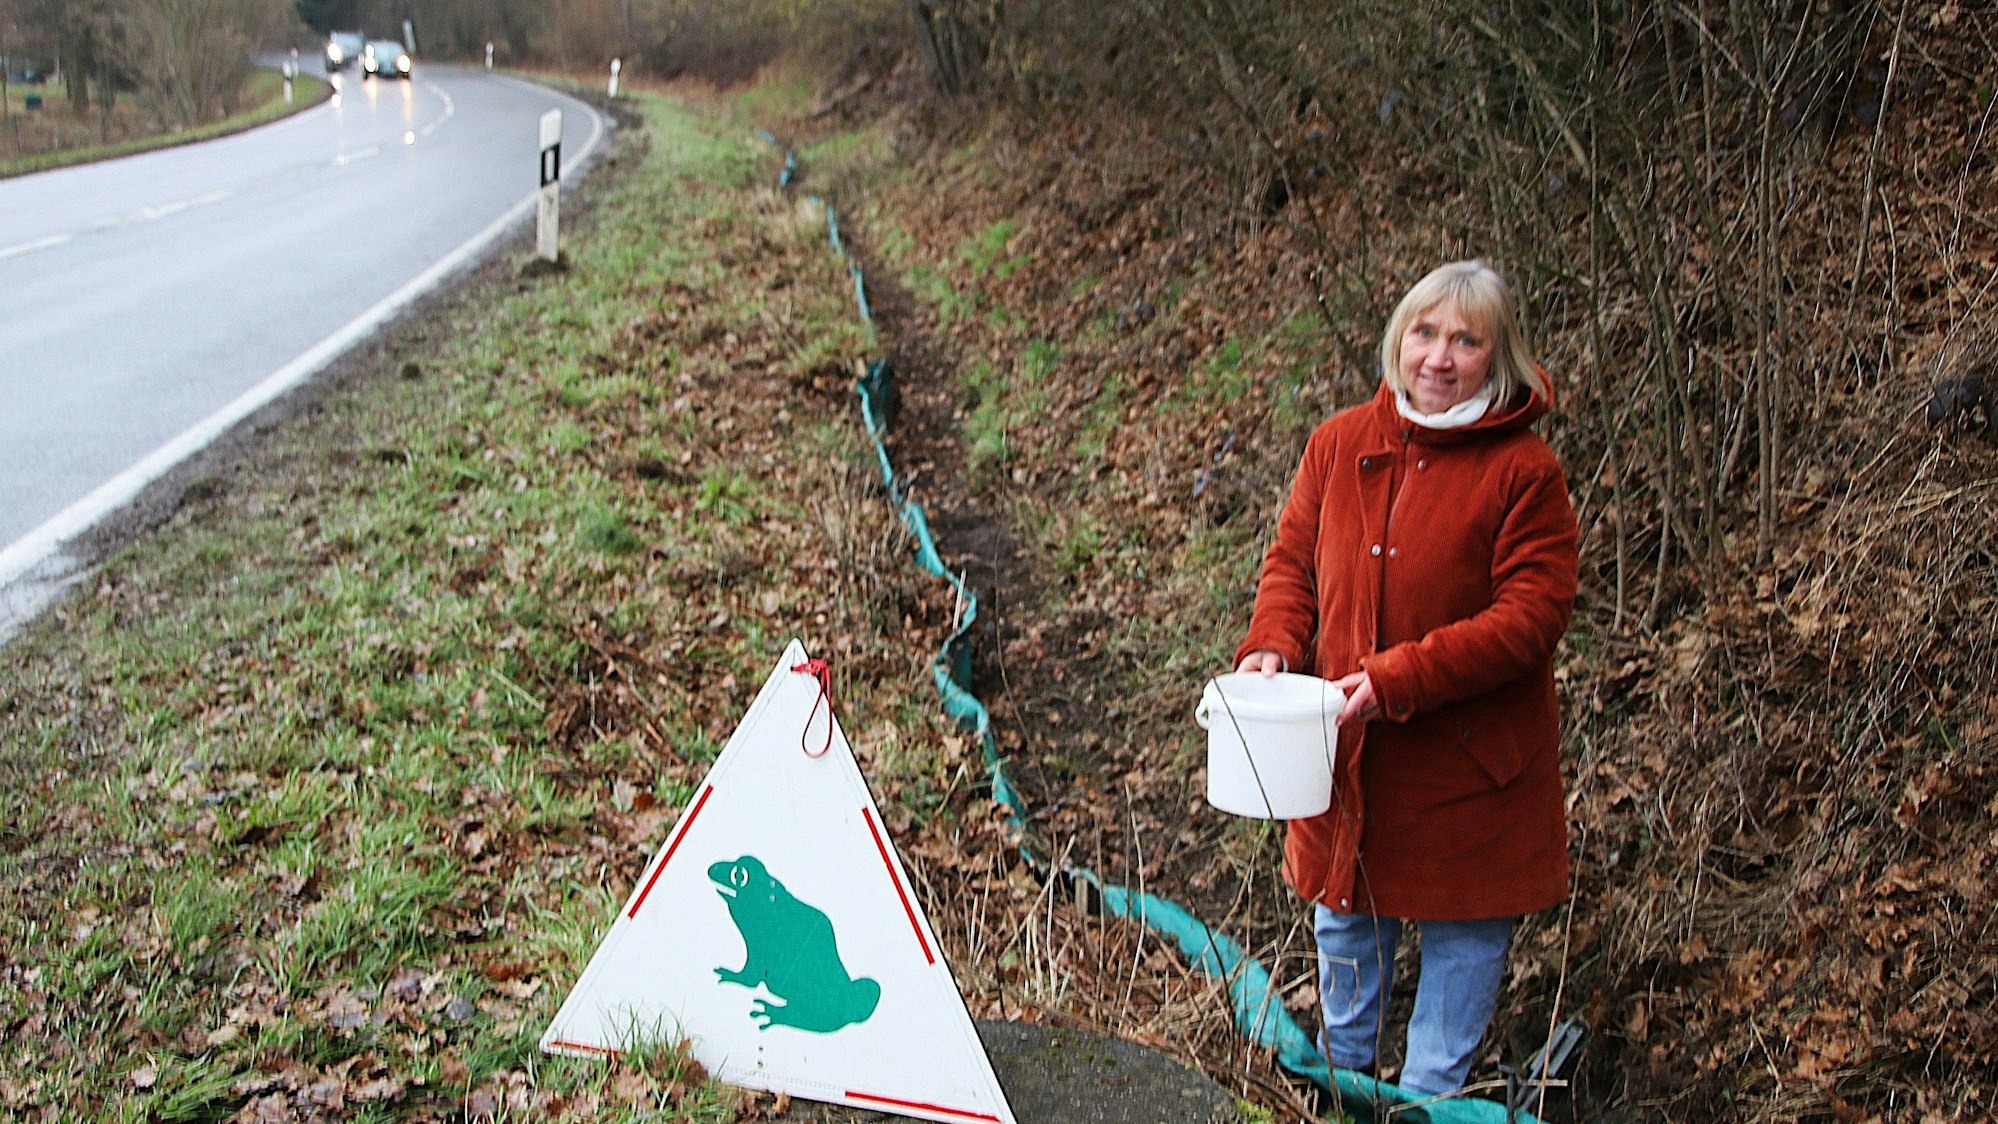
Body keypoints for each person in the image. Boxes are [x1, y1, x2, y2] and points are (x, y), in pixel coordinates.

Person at [1233, 260, 1578, 1098]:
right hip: (1348, 756)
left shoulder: (1525, 472)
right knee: (1348, 927)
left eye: (1466, 340)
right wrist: (1273, 642)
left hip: (1472, 771)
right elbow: (1292, 565)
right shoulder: (1339, 443)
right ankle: (1345, 1092)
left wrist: (1398, 677)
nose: (1440, 356)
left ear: (1497, 358)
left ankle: (1428, 1105)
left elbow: (1531, 616)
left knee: (1464, 947)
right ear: (1400, 339)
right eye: (1426, 333)